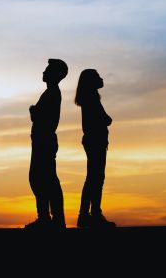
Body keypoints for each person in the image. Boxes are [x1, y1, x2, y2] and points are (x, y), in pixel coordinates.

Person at [25, 59, 68, 230]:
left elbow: (38, 116)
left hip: (44, 141)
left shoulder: (52, 93)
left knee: (43, 179)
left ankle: (49, 219)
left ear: (55, 74)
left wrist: (33, 110)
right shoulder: (50, 92)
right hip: (42, 140)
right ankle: (49, 218)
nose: (44, 72)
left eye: (47, 70)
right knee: (42, 179)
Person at [75, 69, 116, 228]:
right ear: (91, 81)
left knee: (94, 178)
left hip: (93, 141)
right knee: (96, 178)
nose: (101, 78)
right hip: (95, 141)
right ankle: (91, 215)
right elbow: (105, 119)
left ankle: (88, 214)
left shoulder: (89, 97)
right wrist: (107, 119)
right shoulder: (91, 98)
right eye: (97, 76)